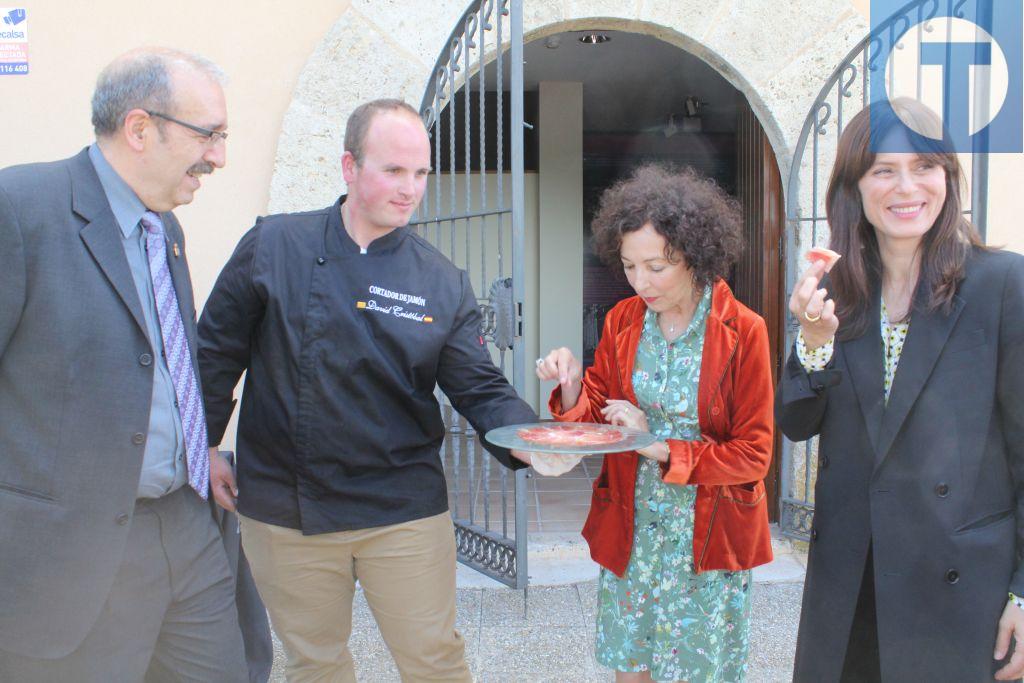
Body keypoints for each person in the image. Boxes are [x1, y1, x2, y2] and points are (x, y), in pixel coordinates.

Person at [197, 97, 537, 682]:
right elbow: (213, 354)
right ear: (349, 167)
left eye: (421, 173)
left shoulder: (441, 281)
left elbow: (479, 387)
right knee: (314, 664)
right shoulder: (273, 247)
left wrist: (531, 437)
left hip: (401, 507)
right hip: (285, 505)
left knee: (434, 661)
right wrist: (200, 445)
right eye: (394, 170)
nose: (411, 189)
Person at [0, 47, 251, 681]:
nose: (218, 156)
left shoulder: (164, 228)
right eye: (209, 135)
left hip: (188, 529)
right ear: (140, 129)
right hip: (75, 557)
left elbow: (164, 365)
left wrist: (202, 450)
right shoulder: (20, 207)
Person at [776, 98, 1024, 682]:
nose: (906, 187)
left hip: (960, 584)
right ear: (855, 188)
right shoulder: (836, 289)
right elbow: (795, 421)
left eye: (924, 166)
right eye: (883, 170)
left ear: (948, 177)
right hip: (851, 578)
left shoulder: (1002, 283)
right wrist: (813, 340)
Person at [537, 165, 775, 682]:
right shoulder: (623, 319)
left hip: (708, 534)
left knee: (696, 672)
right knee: (631, 666)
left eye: (656, 267)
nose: (640, 282)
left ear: (694, 255)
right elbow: (599, 408)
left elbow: (754, 454)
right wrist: (575, 385)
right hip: (636, 527)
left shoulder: (744, 330)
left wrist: (662, 445)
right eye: (628, 266)